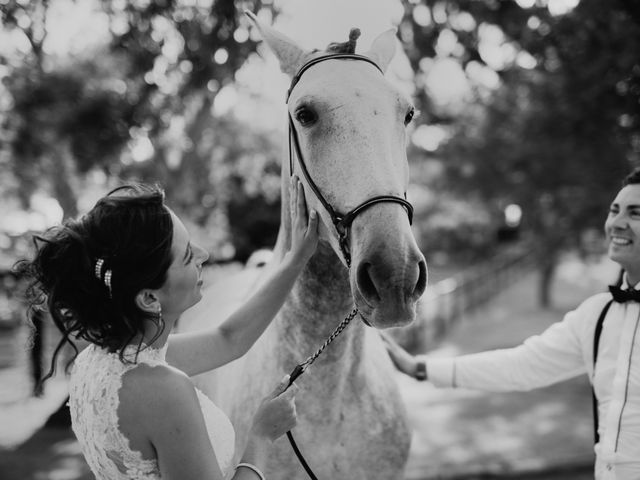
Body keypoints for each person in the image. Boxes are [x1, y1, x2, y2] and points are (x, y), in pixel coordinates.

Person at [17, 177, 318, 480]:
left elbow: (229, 339)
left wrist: (295, 261)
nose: (204, 255)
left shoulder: (101, 361)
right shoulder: (163, 389)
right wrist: (261, 438)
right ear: (149, 298)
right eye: (188, 255)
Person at [383, 168, 640, 480]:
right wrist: (418, 367)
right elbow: (522, 365)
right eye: (615, 210)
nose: (617, 223)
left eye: (635, 213)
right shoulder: (598, 314)